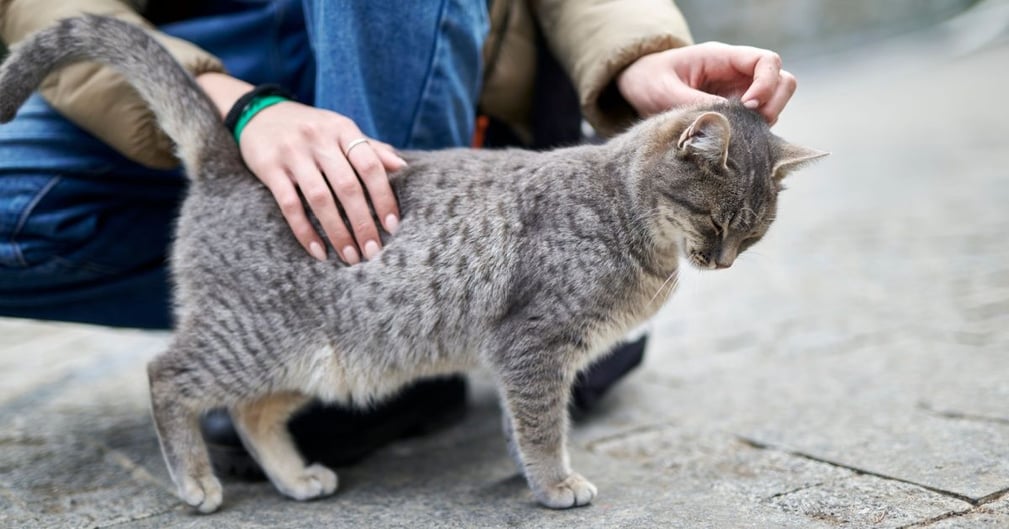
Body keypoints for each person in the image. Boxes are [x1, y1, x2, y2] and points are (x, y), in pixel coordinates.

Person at [0, 0, 796, 475]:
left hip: (436, 85)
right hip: (199, 54)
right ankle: (316, 332)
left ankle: (427, 330)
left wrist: (638, 56)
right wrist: (232, 104)